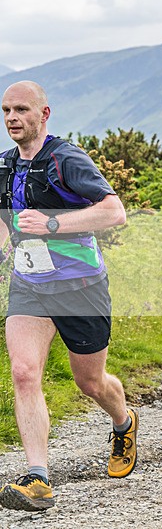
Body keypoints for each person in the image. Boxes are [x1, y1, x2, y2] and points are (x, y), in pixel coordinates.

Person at [0, 81, 136, 512]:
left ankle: (122, 421)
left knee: (90, 382)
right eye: (5, 110)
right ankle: (37, 477)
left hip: (81, 288)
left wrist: (55, 225)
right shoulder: (4, 166)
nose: (11, 118)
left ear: (44, 114)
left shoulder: (66, 158)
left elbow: (115, 212)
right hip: (30, 286)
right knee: (24, 372)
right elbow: (6, 223)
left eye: (21, 109)